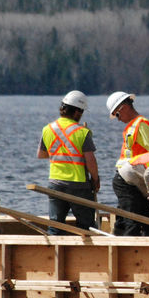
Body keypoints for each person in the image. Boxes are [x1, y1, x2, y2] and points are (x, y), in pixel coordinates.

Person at [37, 90, 100, 234]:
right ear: (77, 111)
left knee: (55, 226)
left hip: (55, 183)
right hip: (78, 184)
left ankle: (54, 255)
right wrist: (95, 179)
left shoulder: (48, 129)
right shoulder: (82, 132)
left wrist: (62, 152)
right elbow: (90, 160)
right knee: (86, 226)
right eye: (82, 112)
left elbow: (41, 154)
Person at [107, 91, 149, 236]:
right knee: (132, 220)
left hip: (134, 179)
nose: (118, 119)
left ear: (123, 108)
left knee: (148, 220)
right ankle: (124, 247)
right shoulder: (132, 126)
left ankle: (127, 241)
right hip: (127, 179)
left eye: (117, 115)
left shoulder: (141, 125)